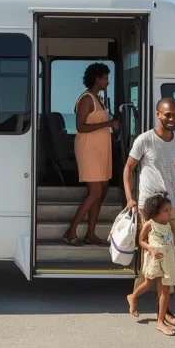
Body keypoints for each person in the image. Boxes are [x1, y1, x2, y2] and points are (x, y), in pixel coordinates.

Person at [122, 97, 175, 327]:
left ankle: (164, 310)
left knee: (170, 261)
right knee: (151, 261)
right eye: (167, 115)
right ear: (158, 114)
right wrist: (130, 199)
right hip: (151, 208)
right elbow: (128, 168)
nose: (172, 119)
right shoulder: (145, 140)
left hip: (173, 206)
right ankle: (135, 297)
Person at [63, 63, 120, 246]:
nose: (107, 81)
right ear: (97, 78)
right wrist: (108, 124)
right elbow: (80, 127)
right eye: (105, 78)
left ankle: (91, 234)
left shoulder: (99, 98)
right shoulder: (86, 99)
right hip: (89, 149)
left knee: (101, 190)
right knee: (95, 191)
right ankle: (70, 230)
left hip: (101, 149)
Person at [126, 192, 175, 336]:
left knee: (165, 290)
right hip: (154, 259)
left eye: (170, 210)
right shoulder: (150, 224)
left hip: (168, 259)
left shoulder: (169, 224)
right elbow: (141, 241)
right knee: (148, 283)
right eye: (166, 210)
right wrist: (151, 248)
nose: (170, 213)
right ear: (156, 212)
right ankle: (133, 297)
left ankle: (160, 321)